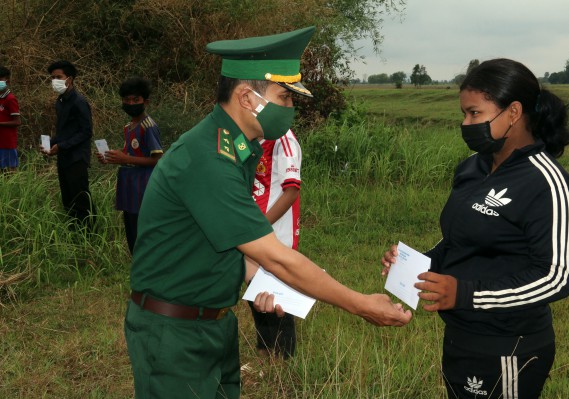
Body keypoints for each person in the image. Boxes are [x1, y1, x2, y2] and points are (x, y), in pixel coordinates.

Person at [125, 26, 412, 399]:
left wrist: (266, 286)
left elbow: (232, 246)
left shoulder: (238, 150)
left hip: (211, 323)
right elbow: (276, 256)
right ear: (247, 97)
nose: (290, 109)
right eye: (285, 98)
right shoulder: (208, 159)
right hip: (174, 334)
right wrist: (360, 304)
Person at [381, 58, 569, 399]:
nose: (465, 123)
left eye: (475, 113)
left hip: (509, 345)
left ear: (513, 113)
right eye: (464, 114)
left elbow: (557, 277)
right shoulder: (473, 168)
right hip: (462, 334)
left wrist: (466, 293)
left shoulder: (547, 183)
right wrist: (418, 263)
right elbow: (460, 240)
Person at [247, 128, 302, 359]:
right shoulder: (244, 137)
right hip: (249, 228)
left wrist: (260, 226)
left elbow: (291, 191)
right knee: (255, 292)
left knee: (279, 301)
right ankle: (264, 351)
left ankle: (286, 359)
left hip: (275, 232)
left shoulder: (284, 140)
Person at [96, 77, 163, 254]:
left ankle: (148, 261)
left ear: (145, 102)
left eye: (135, 100)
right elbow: (130, 153)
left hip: (143, 184)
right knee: (130, 224)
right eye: (126, 100)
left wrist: (125, 159)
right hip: (129, 184)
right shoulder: (129, 126)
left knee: (143, 225)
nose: (130, 103)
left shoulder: (148, 126)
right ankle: (136, 260)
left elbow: (157, 159)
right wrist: (111, 157)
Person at [42, 60, 94, 228]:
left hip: (77, 157)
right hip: (64, 157)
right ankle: (74, 231)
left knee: (80, 197)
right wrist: (51, 143)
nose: (54, 81)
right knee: (68, 197)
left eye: (59, 77)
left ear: (69, 79)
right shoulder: (60, 101)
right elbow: (64, 131)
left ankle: (89, 233)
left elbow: (86, 132)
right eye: (52, 77)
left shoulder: (79, 102)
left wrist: (62, 146)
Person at [0, 66, 21, 171]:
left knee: (10, 173)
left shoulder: (10, 99)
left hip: (7, 143)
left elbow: (17, 122)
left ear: (7, 81)